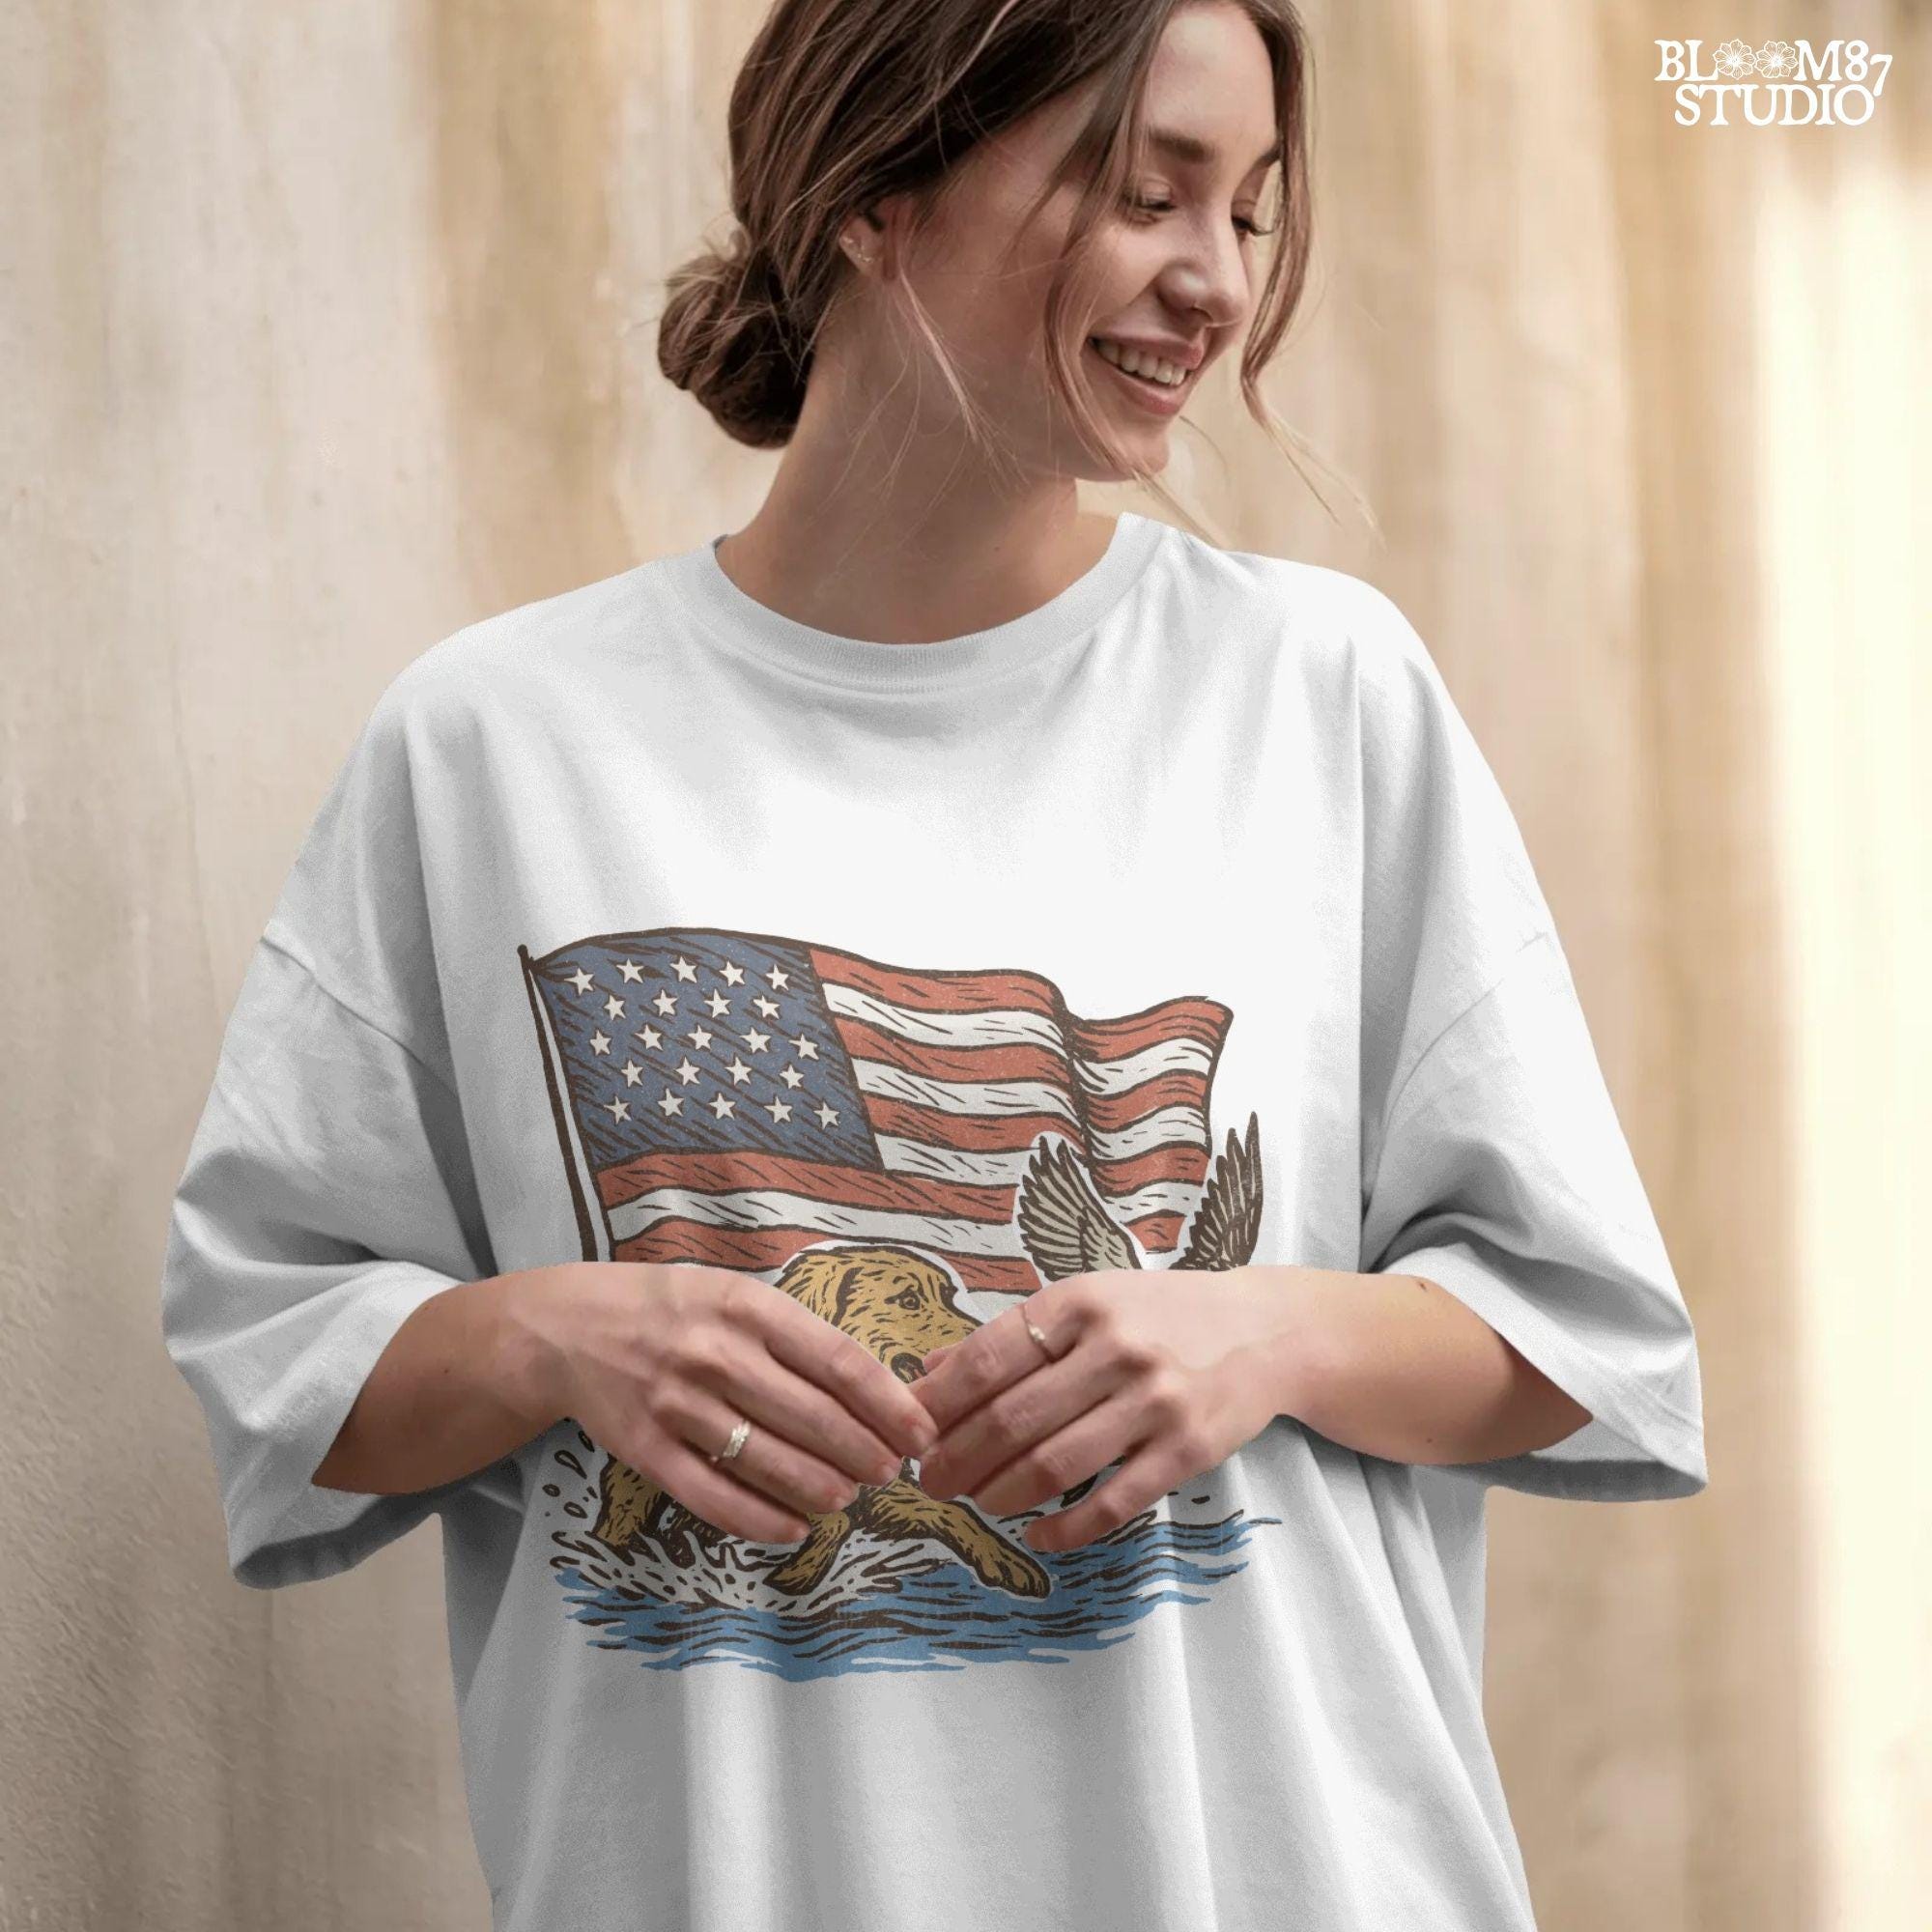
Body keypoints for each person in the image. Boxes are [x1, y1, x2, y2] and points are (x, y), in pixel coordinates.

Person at [158, 2, 1708, 1928]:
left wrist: (1270, 1330)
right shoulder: (495, 744)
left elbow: (1582, 1341)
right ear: (881, 190)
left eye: (1248, 211)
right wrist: (552, 1333)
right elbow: (278, 1357)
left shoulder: (1320, 698)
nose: (1214, 282)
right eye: (1148, 194)